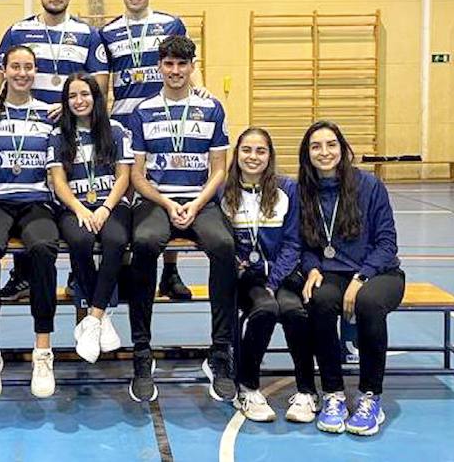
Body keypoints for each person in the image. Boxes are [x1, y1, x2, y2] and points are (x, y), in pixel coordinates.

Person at [0, 0, 109, 301]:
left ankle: (81, 280)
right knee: (23, 188)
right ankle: (21, 275)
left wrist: (70, 109)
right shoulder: (18, 31)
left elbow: (99, 84)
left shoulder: (87, 34)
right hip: (22, 122)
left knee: (60, 199)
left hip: (67, 124)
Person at [127, 35, 235, 403]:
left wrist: (196, 202)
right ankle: (142, 355)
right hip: (157, 201)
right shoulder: (142, 111)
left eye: (182, 64)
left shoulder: (212, 109)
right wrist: (168, 203)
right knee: (143, 243)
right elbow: (138, 176)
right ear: (159, 66)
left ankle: (220, 354)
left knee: (224, 246)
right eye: (168, 64)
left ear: (192, 67)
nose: (175, 71)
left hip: (199, 201)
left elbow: (219, 169)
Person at [101, 0, 206, 299]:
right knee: (128, 198)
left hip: (166, 120)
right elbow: (103, 84)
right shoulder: (108, 31)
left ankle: (171, 272)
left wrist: (201, 93)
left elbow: (189, 64)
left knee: (170, 188)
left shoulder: (170, 23)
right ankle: (124, 270)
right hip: (124, 120)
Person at [299, 120, 404, 436]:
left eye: (331, 144)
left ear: (343, 149)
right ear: (307, 154)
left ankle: (371, 397)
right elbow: (303, 244)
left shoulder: (370, 186)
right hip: (332, 274)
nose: (324, 152)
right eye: (316, 146)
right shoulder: (305, 191)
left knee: (369, 303)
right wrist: (312, 267)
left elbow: (387, 244)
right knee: (320, 299)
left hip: (379, 273)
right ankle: (333, 394)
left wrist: (361, 278)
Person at [0, 45, 59, 400]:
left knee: (42, 248)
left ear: (36, 72)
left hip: (37, 201)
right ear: (4, 71)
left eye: (28, 67)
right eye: (15, 67)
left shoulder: (49, 113)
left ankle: (43, 351)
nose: (22, 73)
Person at [221, 127, 318, 423]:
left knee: (293, 311)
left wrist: (274, 280)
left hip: (283, 275)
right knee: (264, 309)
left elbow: (292, 242)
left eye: (260, 151)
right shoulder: (223, 192)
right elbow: (222, 240)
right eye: (246, 150)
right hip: (246, 279)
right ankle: (248, 388)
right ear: (237, 154)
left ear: (270, 156)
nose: (253, 157)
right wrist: (238, 264)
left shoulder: (287, 189)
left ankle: (306, 391)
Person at [48, 73, 134, 363]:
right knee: (80, 240)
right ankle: (102, 317)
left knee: (115, 240)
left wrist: (105, 208)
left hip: (111, 204)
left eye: (84, 94)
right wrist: (80, 208)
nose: (79, 101)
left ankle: (93, 318)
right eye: (72, 96)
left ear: (96, 97)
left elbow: (124, 177)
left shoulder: (117, 131)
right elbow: (58, 181)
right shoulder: (59, 135)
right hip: (75, 206)